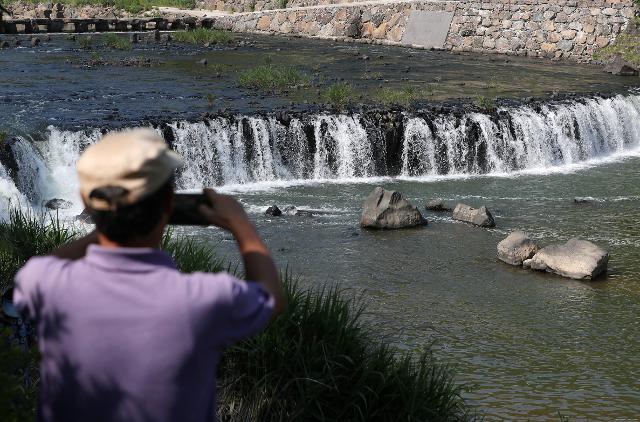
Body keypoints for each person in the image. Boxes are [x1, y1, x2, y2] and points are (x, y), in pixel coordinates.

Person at [13, 128, 285, 422]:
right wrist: (240, 224)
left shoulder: (47, 283)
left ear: (86, 202)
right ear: (168, 204)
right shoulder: (202, 299)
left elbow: (37, 268)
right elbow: (271, 298)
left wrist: (105, 229)